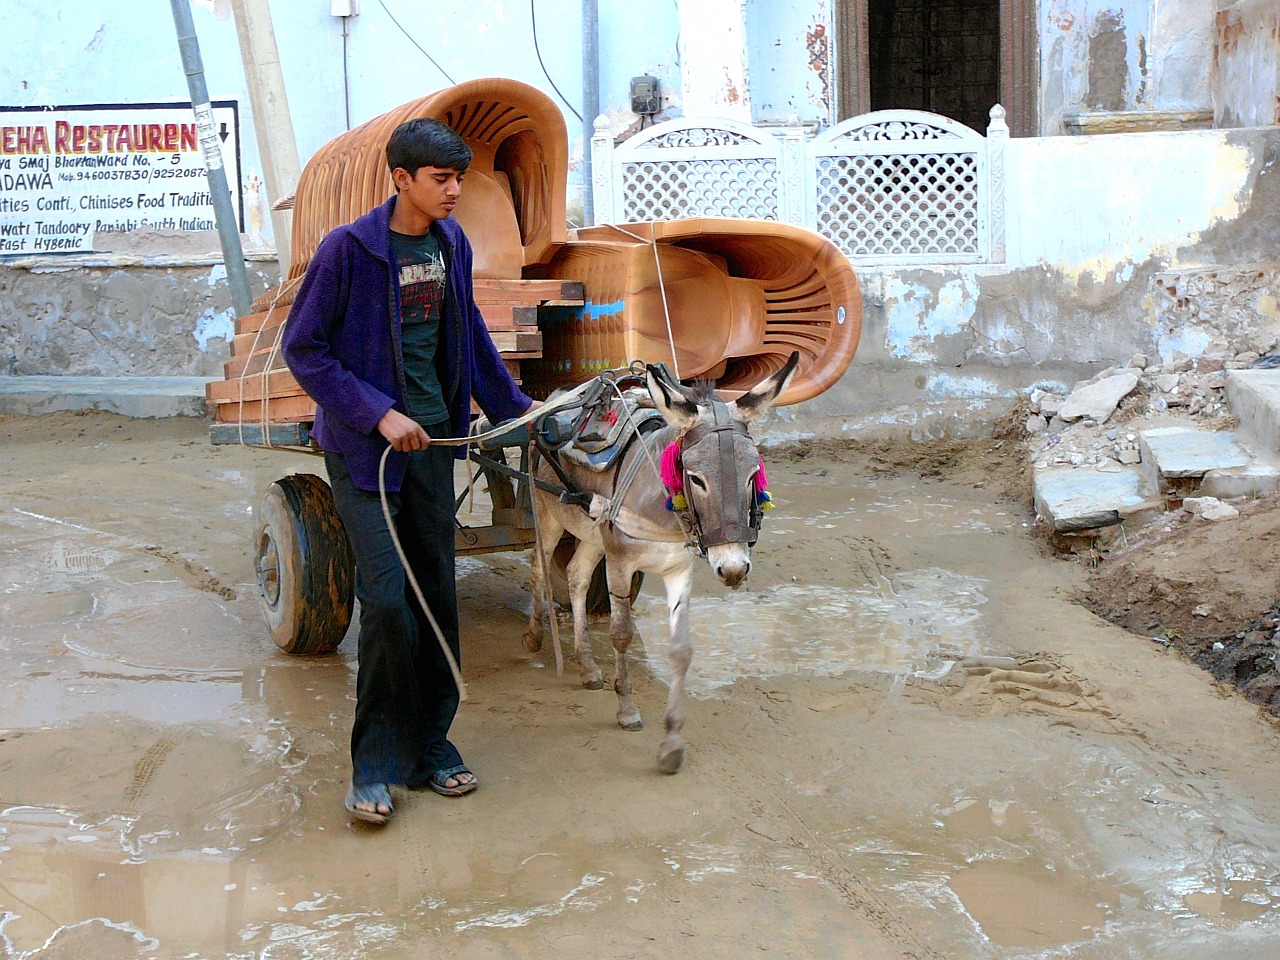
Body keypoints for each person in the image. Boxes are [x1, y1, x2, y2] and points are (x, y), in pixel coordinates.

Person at [283, 117, 539, 825]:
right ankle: (372, 765)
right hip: (368, 455)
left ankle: (431, 747)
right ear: (402, 180)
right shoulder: (349, 251)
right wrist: (376, 413)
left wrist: (517, 410)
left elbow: (471, 338)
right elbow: (304, 348)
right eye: (441, 179)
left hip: (436, 446)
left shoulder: (449, 242)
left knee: (435, 598)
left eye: (459, 178)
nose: (455, 191)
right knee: (389, 601)